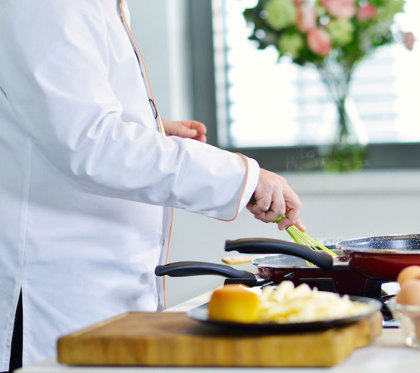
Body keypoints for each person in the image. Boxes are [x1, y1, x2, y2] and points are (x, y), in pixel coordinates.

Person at [0, 1, 304, 371]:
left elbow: (63, 118)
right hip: (52, 295)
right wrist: (241, 177)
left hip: (101, 291)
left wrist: (150, 129)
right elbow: (89, 144)